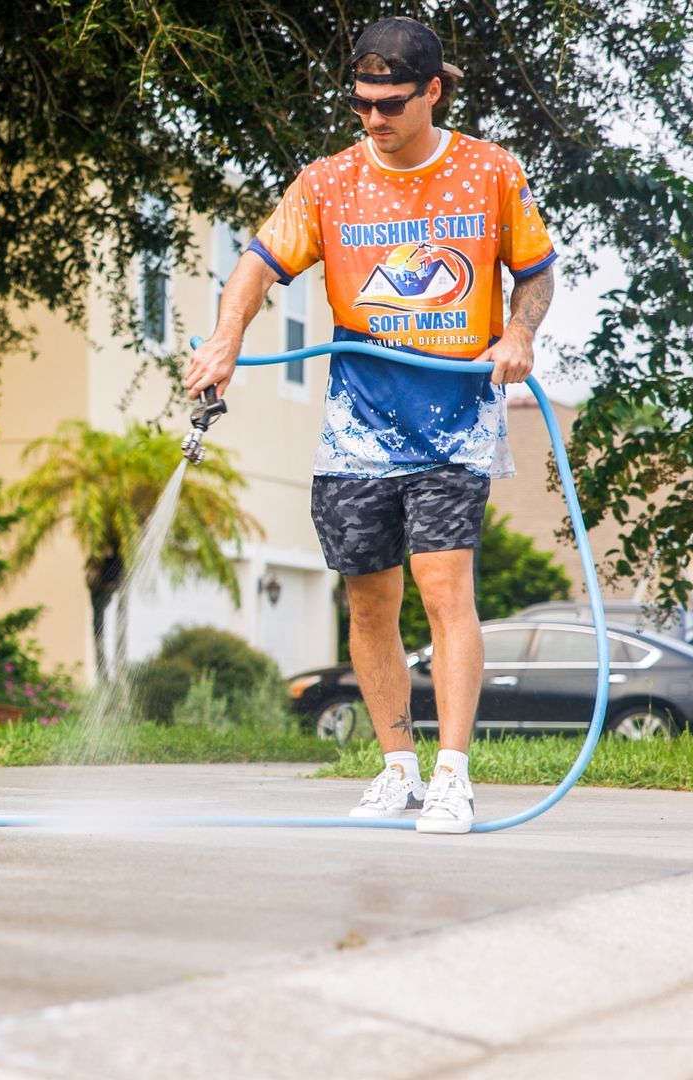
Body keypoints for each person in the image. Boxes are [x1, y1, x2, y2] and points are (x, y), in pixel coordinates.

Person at [183, 16, 556, 834]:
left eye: (391, 103)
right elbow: (258, 263)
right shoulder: (328, 183)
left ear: (433, 91)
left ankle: (452, 775)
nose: (375, 120)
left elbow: (535, 273)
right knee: (368, 600)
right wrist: (227, 335)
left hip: (455, 416)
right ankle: (397, 769)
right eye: (361, 104)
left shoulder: (489, 173)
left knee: (442, 587)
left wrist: (520, 331)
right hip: (357, 425)